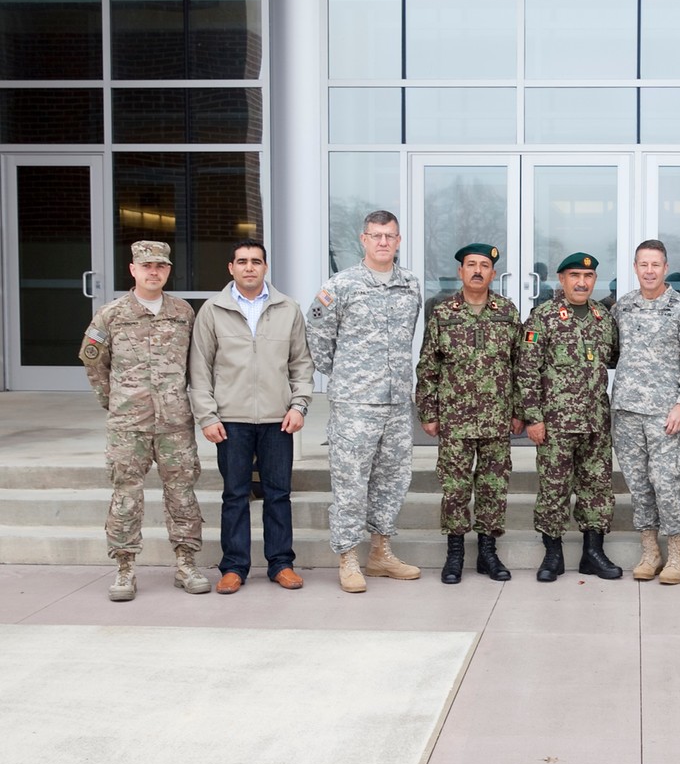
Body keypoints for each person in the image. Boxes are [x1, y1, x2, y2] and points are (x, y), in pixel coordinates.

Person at [79, 240, 210, 601]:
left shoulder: (183, 313)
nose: (154, 272)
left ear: (168, 270)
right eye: (147, 265)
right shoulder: (112, 314)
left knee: (182, 493)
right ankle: (124, 568)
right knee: (126, 495)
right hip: (128, 426)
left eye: (161, 266)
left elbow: (195, 364)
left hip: (174, 423)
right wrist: (114, 401)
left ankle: (186, 563)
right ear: (133, 269)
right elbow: (93, 361)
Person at [189, 240, 315, 594]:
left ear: (265, 267)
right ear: (231, 267)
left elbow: (301, 364)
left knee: (278, 494)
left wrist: (298, 405)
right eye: (242, 261)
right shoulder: (212, 311)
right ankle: (234, 567)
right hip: (231, 419)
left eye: (256, 261)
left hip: (279, 418)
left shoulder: (287, 309)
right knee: (235, 494)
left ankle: (281, 564)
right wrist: (207, 416)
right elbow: (199, 370)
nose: (249, 267)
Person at [307, 210, 423, 593]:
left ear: (399, 240)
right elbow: (318, 338)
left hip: (396, 403)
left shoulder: (410, 284)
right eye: (376, 236)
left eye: (390, 236)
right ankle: (347, 558)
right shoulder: (341, 285)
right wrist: (345, 376)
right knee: (350, 482)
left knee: (392, 480)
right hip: (355, 404)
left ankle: (380, 553)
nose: (383, 242)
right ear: (363, 239)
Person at [417, 243, 523, 584]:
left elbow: (521, 366)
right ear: (460, 272)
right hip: (455, 419)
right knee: (456, 489)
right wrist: (428, 412)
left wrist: (519, 410)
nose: (477, 270)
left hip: (496, 417)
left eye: (484, 266)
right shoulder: (443, 313)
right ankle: (455, 554)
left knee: (494, 486)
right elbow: (428, 366)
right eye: (471, 265)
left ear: (493, 274)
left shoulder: (507, 312)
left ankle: (488, 553)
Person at [516, 252, 622, 582]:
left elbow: (614, 358)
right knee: (553, 490)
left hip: (594, 422)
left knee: (597, 489)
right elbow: (527, 371)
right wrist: (533, 418)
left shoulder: (604, 319)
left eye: (588, 277)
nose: (581, 282)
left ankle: (593, 552)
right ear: (561, 280)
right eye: (574, 275)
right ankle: (553, 555)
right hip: (555, 424)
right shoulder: (542, 318)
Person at [612, 239, 680, 584]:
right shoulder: (623, 308)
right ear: (635, 268)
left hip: (666, 414)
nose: (649, 271)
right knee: (638, 486)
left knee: (666, 483)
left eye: (656, 265)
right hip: (626, 413)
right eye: (643, 265)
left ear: (666, 268)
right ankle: (650, 551)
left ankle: (677, 552)